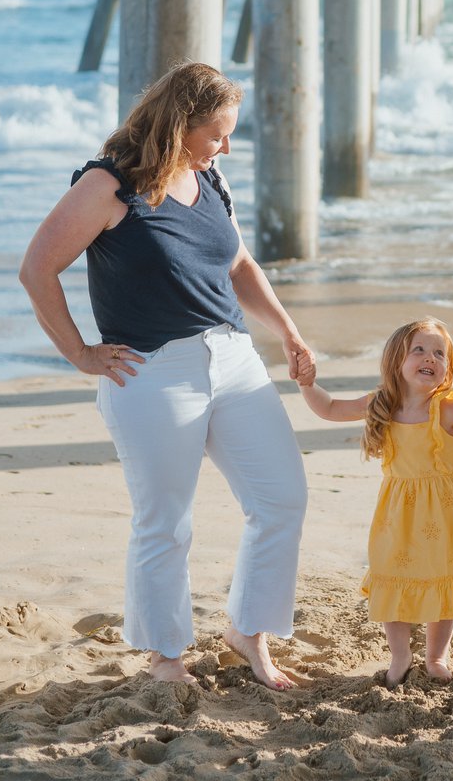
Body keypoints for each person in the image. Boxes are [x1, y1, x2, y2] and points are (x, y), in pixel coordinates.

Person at [19, 61, 314, 691]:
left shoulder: (211, 180)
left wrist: (287, 331)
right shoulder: (109, 185)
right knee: (166, 521)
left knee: (281, 498)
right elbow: (38, 269)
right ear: (180, 124)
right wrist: (79, 353)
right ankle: (165, 657)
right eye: (217, 134)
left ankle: (248, 633)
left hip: (233, 358)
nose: (225, 147)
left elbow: (237, 265)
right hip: (153, 373)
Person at [296, 318, 453, 686]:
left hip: (449, 510)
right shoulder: (382, 404)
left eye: (440, 353)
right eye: (419, 350)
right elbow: (329, 409)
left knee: (444, 577)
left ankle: (437, 655)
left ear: (448, 369)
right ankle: (401, 654)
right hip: (399, 512)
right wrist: (307, 384)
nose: (430, 358)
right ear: (396, 362)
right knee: (394, 576)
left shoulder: (448, 408)